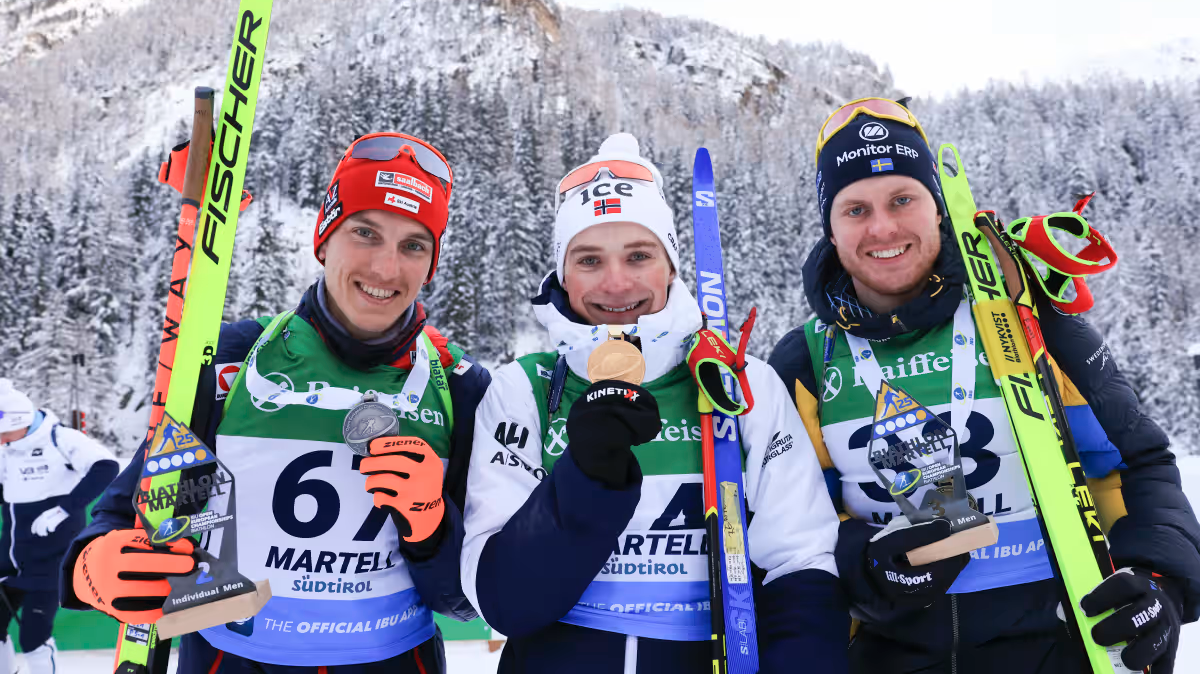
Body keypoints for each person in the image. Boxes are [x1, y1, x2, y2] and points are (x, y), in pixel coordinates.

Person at [768, 97, 1200, 673]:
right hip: (888, 652)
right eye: (855, 209)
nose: (883, 227)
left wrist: (1158, 580)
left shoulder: (1028, 319)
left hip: (1061, 644)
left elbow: (1137, 463)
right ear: (830, 224)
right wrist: (864, 564)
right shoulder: (805, 361)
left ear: (937, 208)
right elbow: (790, 526)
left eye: (903, 199)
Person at [60, 133, 491, 673]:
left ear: (430, 266)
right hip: (231, 658)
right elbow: (130, 511)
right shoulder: (233, 362)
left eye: (413, 246)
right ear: (324, 240)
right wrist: (91, 566)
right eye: (365, 233)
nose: (386, 269)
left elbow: (467, 599)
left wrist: (429, 524)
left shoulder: (458, 388)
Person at [461, 133, 847, 673]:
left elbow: (799, 562)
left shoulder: (742, 385)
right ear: (562, 275)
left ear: (670, 266)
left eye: (638, 256)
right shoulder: (523, 390)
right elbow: (507, 602)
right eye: (589, 259)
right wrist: (587, 478)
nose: (616, 284)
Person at [0, 378, 118, 674]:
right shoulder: (8, 445)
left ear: (21, 420)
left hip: (51, 560)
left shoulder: (59, 437)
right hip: (10, 559)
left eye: (3, 432)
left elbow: (106, 466)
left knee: (33, 639)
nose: (1, 438)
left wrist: (62, 510)